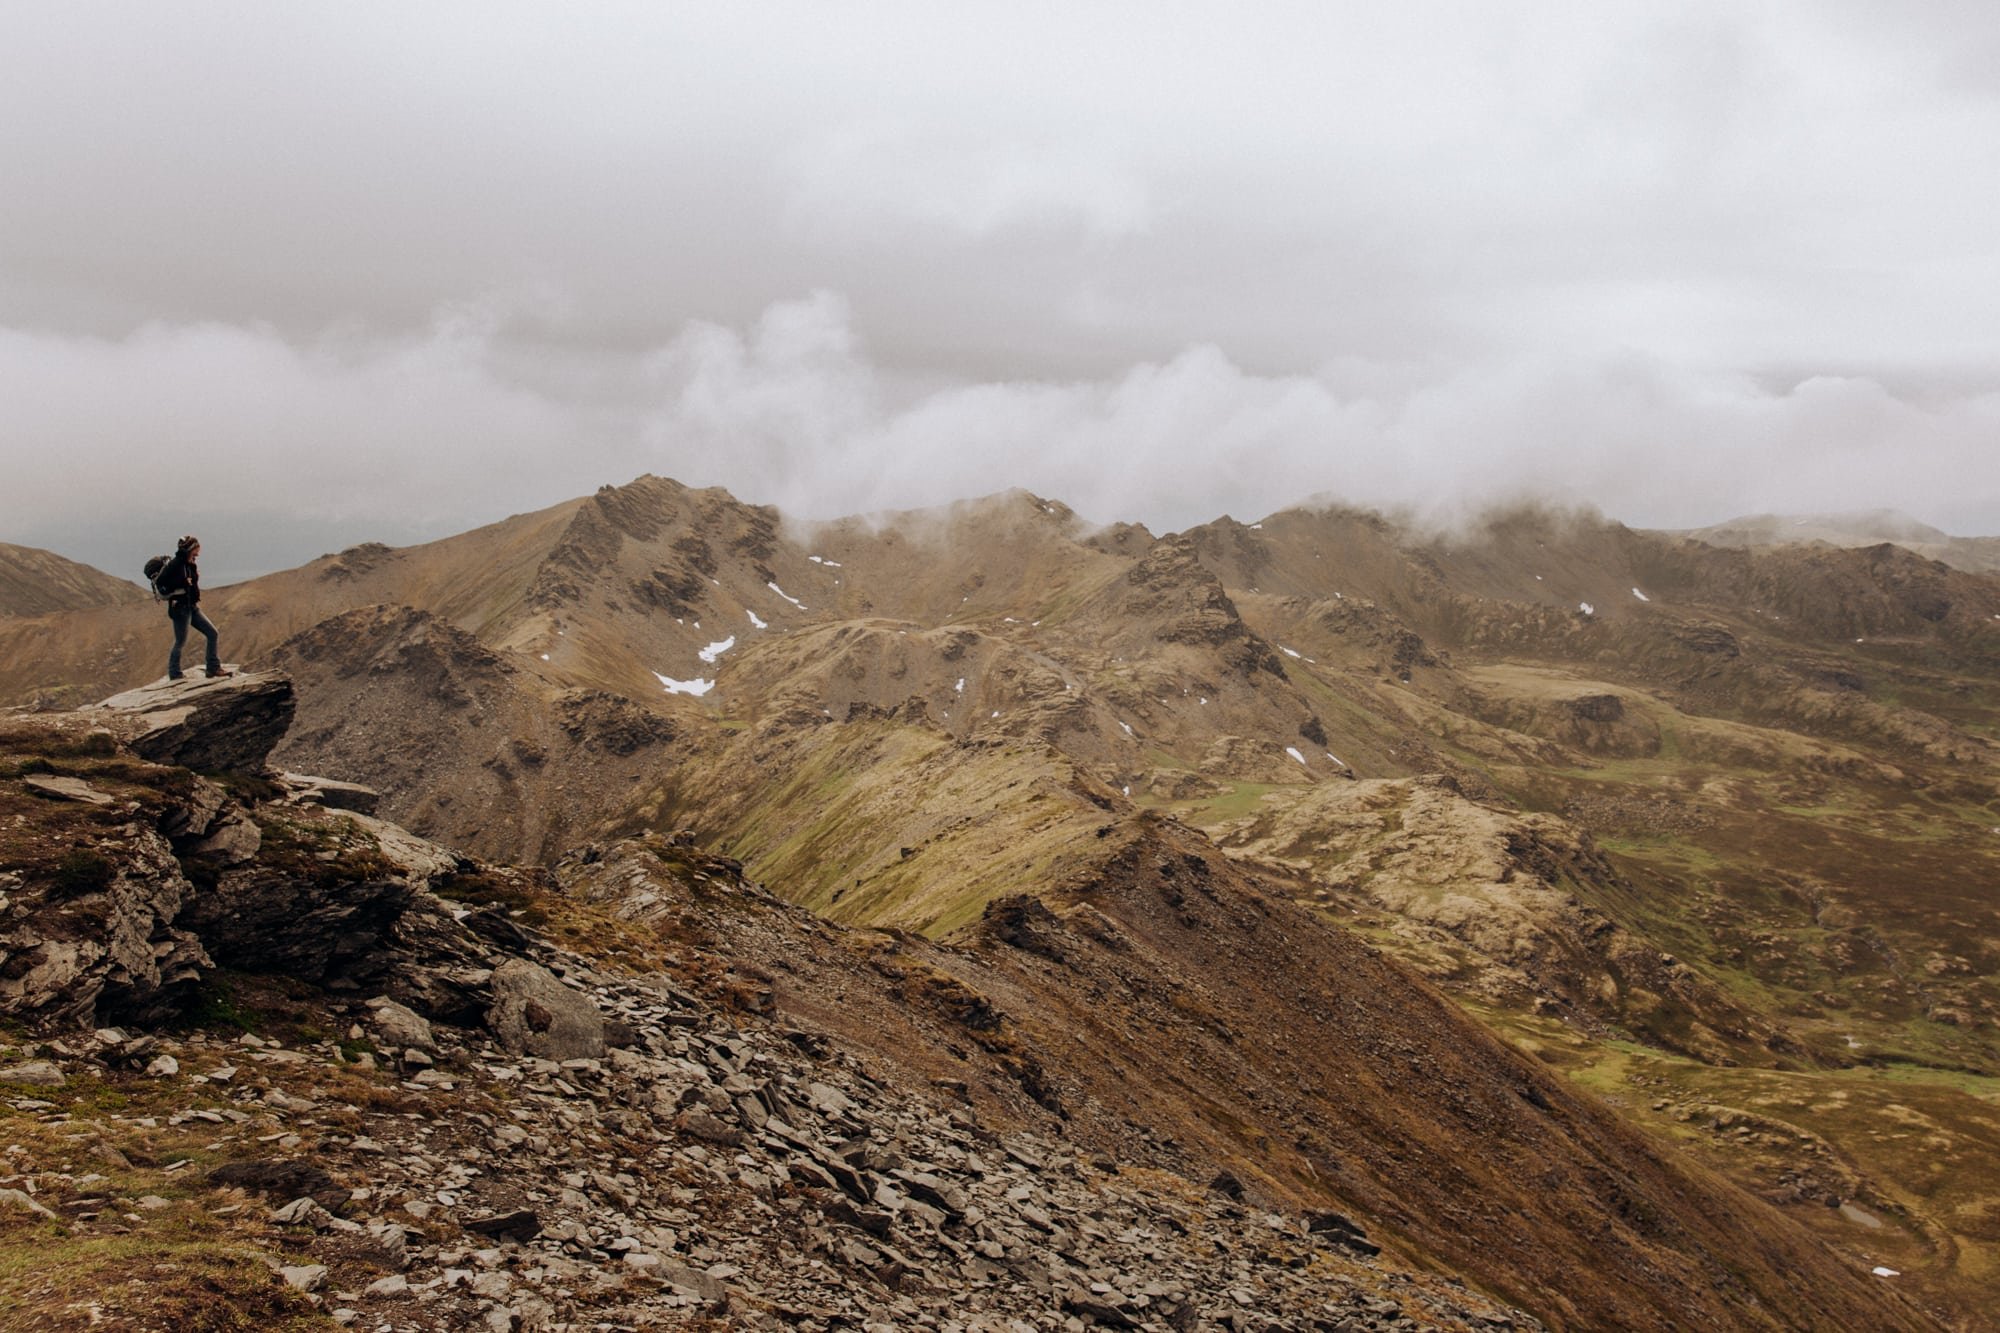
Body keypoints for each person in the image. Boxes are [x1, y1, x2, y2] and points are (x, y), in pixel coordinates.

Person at [158, 535, 230, 681]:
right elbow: (162, 582)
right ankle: (175, 673)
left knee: (212, 633)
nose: (199, 550)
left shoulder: (189, 563)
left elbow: (190, 583)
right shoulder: (176, 564)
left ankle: (212, 668)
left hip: (191, 606)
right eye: (197, 547)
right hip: (180, 608)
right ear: (191, 548)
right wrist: (183, 582)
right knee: (180, 641)